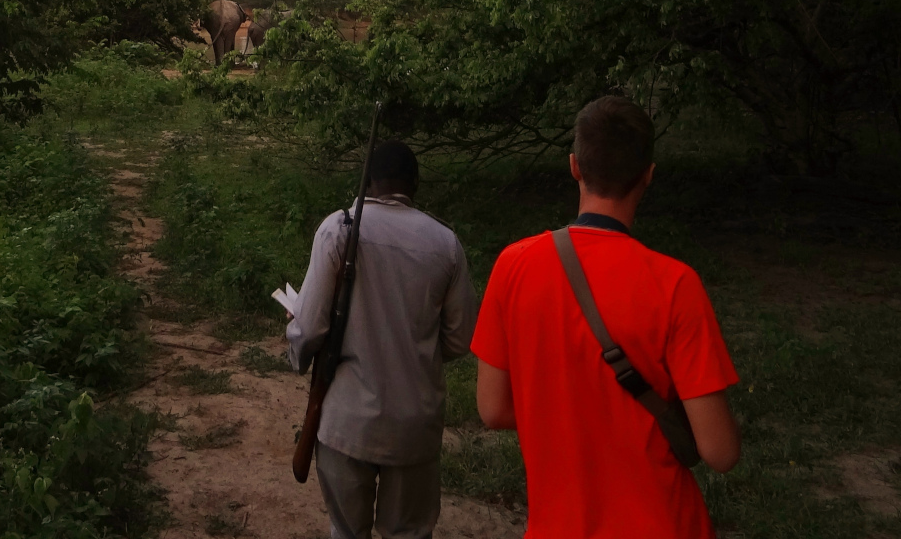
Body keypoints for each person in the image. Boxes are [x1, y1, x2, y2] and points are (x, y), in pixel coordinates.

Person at [472, 96, 741, 538]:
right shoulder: (676, 285)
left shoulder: (512, 266)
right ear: (649, 175)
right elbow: (720, 452)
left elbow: (494, 408)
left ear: (574, 166)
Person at [288, 140, 478, 539]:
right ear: (415, 185)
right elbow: (460, 341)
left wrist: (299, 348)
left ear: (368, 181)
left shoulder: (338, 228)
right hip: (416, 427)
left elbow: (309, 328)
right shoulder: (446, 243)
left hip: (347, 423)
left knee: (346, 532)